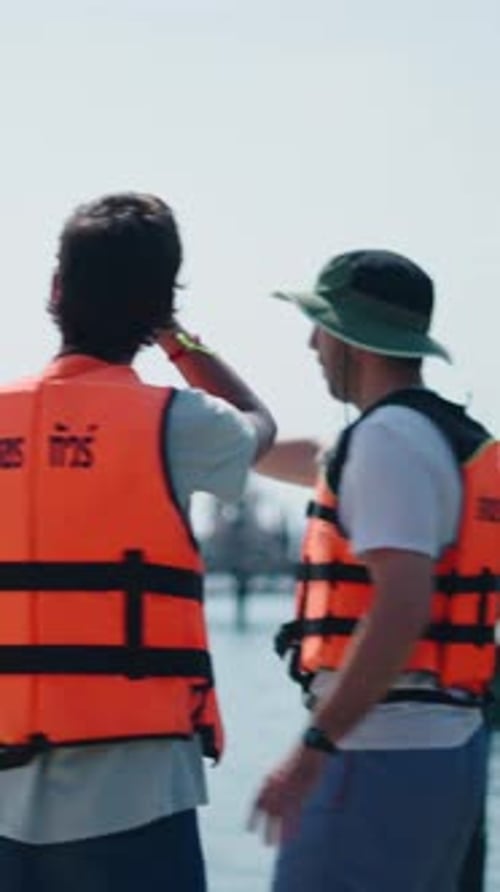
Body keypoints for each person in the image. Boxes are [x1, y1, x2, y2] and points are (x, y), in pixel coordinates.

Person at [0, 192, 276, 892]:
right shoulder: (182, 424)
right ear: (158, 309)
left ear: (57, 290)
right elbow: (259, 423)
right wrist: (178, 340)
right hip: (135, 793)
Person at [250, 249, 500, 891]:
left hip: (376, 757)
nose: (310, 343)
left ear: (351, 338)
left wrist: (312, 750)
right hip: (447, 753)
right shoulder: (441, 436)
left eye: (320, 326)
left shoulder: (386, 444)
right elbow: (295, 453)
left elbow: (401, 605)